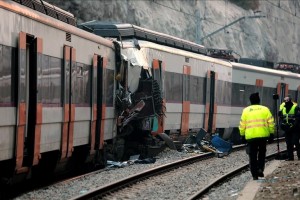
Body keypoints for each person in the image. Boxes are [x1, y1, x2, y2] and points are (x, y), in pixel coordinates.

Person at [239, 92, 275, 180]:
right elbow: (271, 123)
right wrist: (271, 134)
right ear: (259, 100)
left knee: (252, 155)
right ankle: (260, 169)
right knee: (262, 154)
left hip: (251, 137)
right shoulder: (265, 109)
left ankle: (254, 174)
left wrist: (242, 135)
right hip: (263, 136)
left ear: (250, 101)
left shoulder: (246, 110)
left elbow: (242, 125)